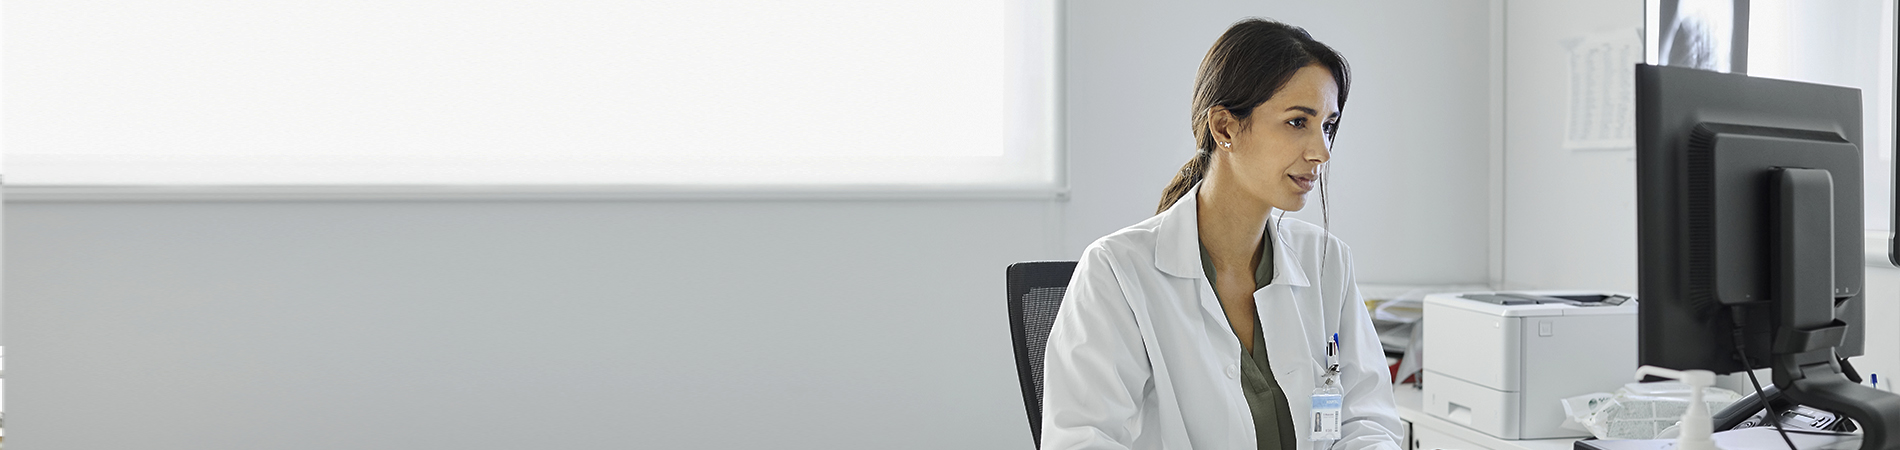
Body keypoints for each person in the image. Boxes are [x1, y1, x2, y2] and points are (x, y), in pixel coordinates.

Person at [1038, 18, 1401, 450]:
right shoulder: (1117, 272)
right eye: (1297, 122)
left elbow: (1368, 420)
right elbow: (1082, 439)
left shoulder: (1327, 262)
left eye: (1327, 125)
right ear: (1225, 127)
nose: (1321, 151)